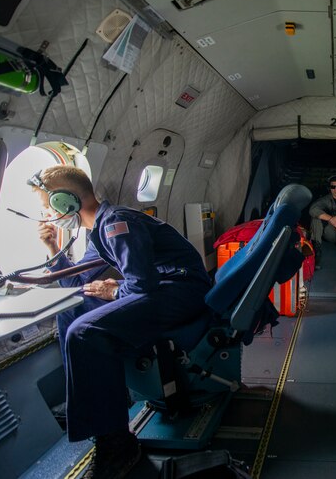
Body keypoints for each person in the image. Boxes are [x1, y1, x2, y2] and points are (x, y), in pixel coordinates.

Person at [30, 166, 211, 479]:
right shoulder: (98, 229)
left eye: (47, 205)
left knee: (84, 332)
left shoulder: (116, 222)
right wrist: (53, 251)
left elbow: (142, 284)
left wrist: (114, 291)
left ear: (65, 201)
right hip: (163, 289)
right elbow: (78, 285)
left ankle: (117, 444)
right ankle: (91, 401)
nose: (46, 213)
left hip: (182, 289)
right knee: (70, 311)